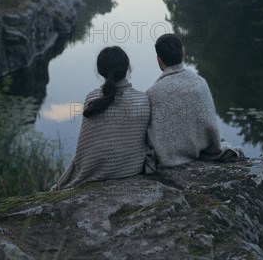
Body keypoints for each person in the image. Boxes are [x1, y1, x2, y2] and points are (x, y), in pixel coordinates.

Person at [51, 46, 150, 190]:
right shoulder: (143, 100)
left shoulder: (93, 98)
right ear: (127, 69)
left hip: (95, 176)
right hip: (130, 171)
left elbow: (84, 152)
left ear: (100, 71)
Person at [145, 33, 242, 172]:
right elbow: (211, 125)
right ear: (183, 54)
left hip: (167, 159)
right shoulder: (201, 83)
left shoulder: (152, 93)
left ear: (159, 60)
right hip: (199, 151)